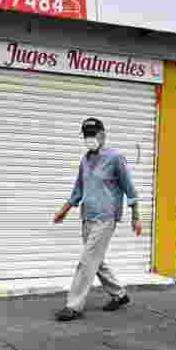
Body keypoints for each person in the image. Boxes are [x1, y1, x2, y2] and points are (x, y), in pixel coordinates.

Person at [53, 117, 143, 322]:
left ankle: (73, 306)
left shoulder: (115, 158)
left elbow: (130, 190)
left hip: (106, 218)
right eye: (86, 136)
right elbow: (78, 191)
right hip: (87, 217)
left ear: (103, 134)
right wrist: (64, 210)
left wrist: (135, 217)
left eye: (92, 135)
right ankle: (120, 295)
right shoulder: (85, 160)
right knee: (96, 260)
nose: (89, 139)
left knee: (86, 261)